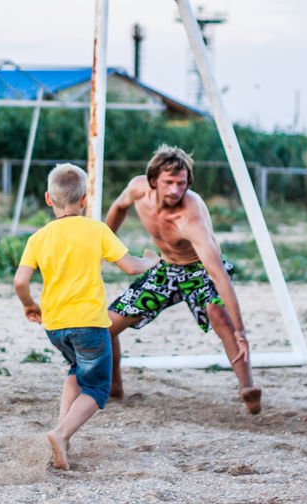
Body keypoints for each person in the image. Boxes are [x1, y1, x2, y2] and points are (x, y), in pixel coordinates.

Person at [14, 163, 158, 470]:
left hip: (55, 326)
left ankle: (62, 436)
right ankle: (62, 433)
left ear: (48, 199)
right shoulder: (97, 230)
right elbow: (130, 267)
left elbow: (20, 281)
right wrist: (150, 261)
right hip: (89, 324)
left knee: (76, 369)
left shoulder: (38, 238)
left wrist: (30, 305)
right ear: (85, 199)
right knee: (97, 388)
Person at [105, 145, 262, 414]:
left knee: (218, 314)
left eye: (181, 183)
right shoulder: (137, 189)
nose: (176, 190)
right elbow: (119, 207)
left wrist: (241, 330)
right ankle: (114, 387)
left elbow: (219, 275)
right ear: (153, 181)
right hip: (166, 268)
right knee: (106, 327)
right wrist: (103, 243)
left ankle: (247, 388)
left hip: (199, 270)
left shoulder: (189, 218)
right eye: (169, 182)